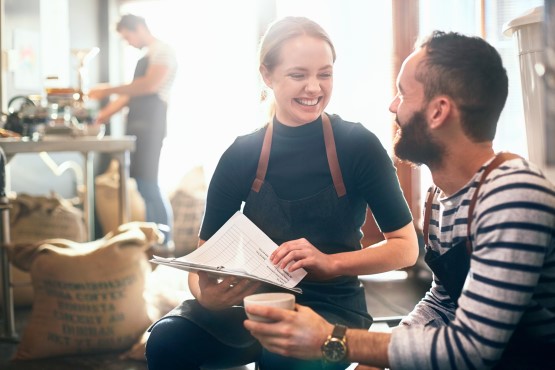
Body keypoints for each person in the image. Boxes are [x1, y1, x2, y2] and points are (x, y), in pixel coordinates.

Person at [243, 30, 555, 370]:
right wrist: (373, 360)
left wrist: (334, 340)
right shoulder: (440, 198)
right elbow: (444, 302)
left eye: (402, 95)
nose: (392, 107)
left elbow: (472, 349)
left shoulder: (513, 196)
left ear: (438, 112)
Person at [145, 16, 418, 370]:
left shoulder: (358, 145)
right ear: (267, 76)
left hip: (330, 306)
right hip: (252, 305)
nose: (314, 88)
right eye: (298, 75)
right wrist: (206, 294)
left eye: (325, 73)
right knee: (166, 339)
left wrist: (330, 262)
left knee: (285, 356)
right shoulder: (241, 155)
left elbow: (406, 247)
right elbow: (202, 261)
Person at [88, 14, 177, 247]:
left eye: (127, 37)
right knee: (141, 183)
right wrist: (101, 117)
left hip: (152, 127)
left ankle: (165, 241)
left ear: (138, 28)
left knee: (149, 183)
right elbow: (129, 96)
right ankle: (155, 239)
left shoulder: (163, 51)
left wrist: (107, 89)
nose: (128, 42)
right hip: (138, 127)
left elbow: (149, 85)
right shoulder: (146, 55)